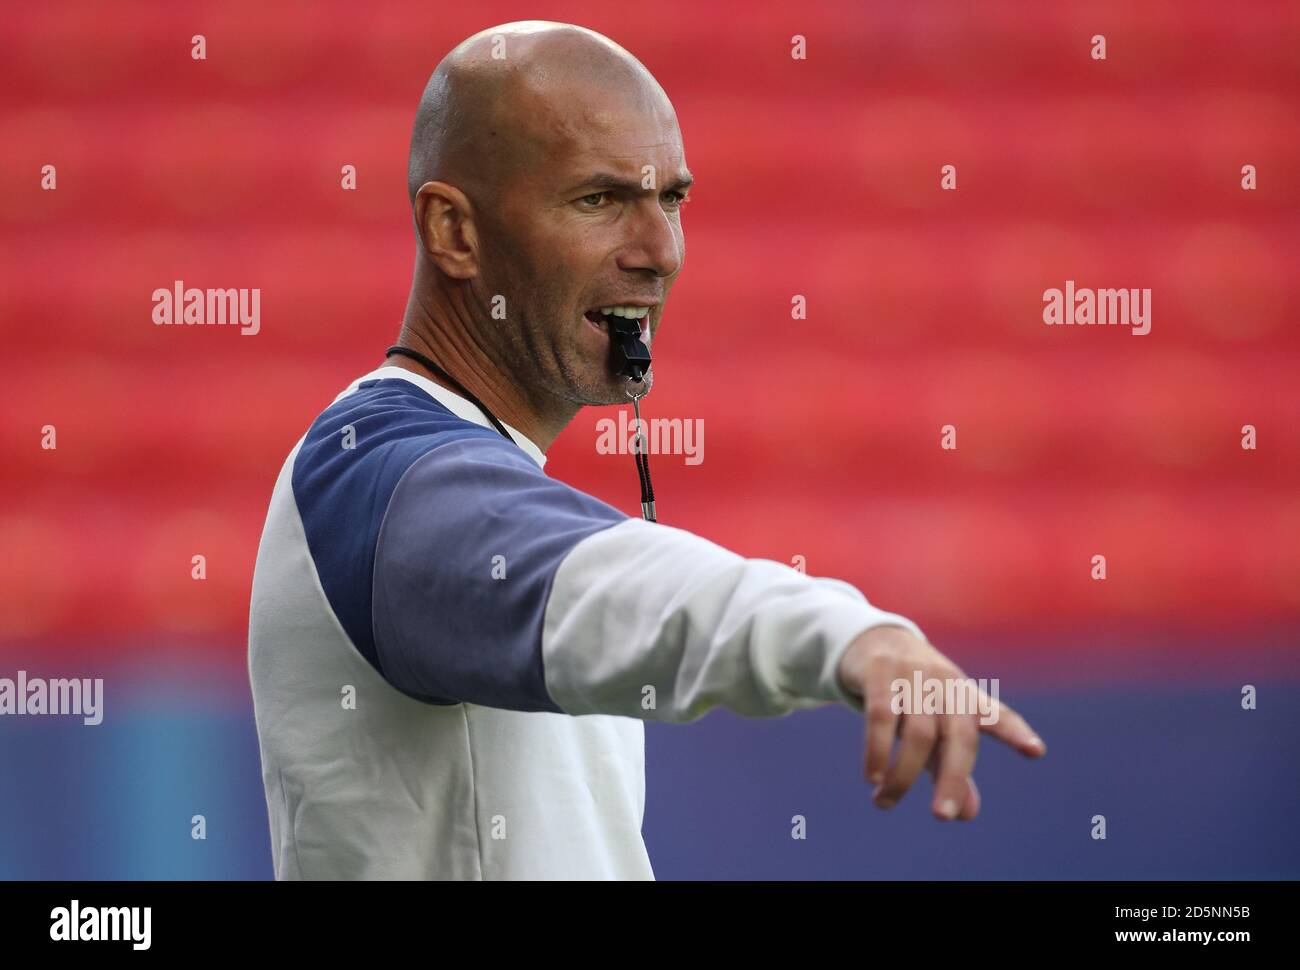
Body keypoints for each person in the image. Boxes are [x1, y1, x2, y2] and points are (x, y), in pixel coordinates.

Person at [247, 20, 1045, 880]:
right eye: (598, 200)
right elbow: (608, 586)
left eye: (671, 199)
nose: (661, 252)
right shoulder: (370, 471)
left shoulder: (438, 467)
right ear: (454, 233)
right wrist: (852, 637)